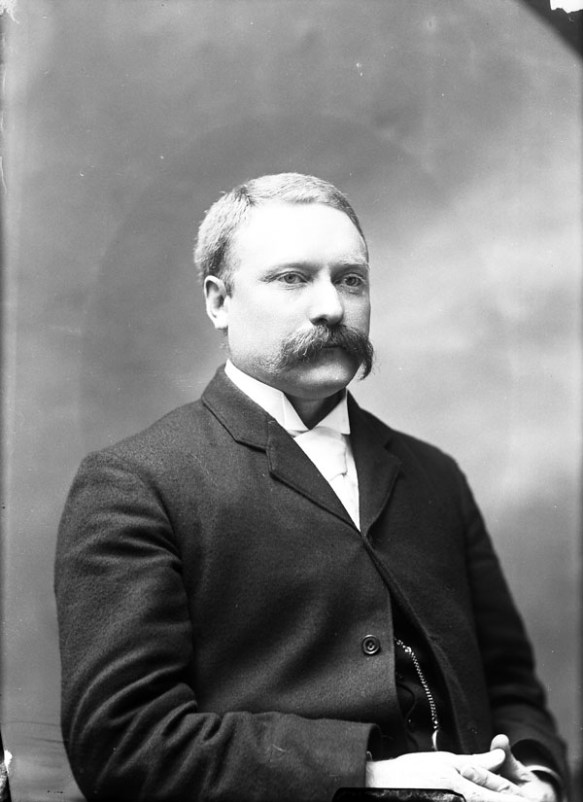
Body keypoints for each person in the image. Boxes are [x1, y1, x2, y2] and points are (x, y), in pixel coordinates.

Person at [55, 173, 568, 802]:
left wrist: (538, 781)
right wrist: (371, 775)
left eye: (350, 280)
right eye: (291, 278)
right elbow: (122, 743)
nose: (331, 307)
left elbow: (511, 686)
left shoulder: (434, 475)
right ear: (218, 301)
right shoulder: (137, 483)